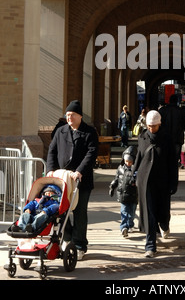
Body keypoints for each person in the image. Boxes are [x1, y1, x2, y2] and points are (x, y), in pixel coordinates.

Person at [46, 100, 98, 260]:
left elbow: (91, 153)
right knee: (62, 212)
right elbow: (52, 152)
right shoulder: (61, 131)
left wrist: (79, 171)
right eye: (67, 115)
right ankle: (67, 240)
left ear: (80, 116)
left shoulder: (89, 132)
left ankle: (80, 245)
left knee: (80, 212)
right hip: (62, 180)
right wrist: (51, 170)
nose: (69, 118)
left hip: (81, 181)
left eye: (72, 115)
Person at [133, 110, 178, 258]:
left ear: (160, 124)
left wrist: (174, 182)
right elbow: (139, 157)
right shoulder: (142, 137)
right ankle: (150, 245)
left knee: (163, 211)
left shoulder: (167, 138)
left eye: (154, 126)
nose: (152, 129)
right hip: (145, 181)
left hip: (163, 180)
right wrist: (133, 176)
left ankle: (164, 224)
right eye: (149, 126)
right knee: (149, 212)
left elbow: (172, 162)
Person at [109, 146, 138, 237]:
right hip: (123, 195)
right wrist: (112, 186)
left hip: (133, 195)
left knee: (132, 213)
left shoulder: (136, 170)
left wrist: (135, 181)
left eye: (130, 162)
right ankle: (124, 227)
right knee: (124, 211)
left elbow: (140, 181)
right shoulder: (120, 168)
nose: (128, 163)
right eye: (126, 161)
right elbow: (116, 179)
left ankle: (130, 224)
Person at [159, 94, 185, 164]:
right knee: (175, 160)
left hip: (164, 139)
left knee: (165, 159)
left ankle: (166, 174)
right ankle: (174, 173)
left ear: (169, 101)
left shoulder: (162, 111)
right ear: (177, 101)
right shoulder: (181, 112)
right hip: (177, 139)